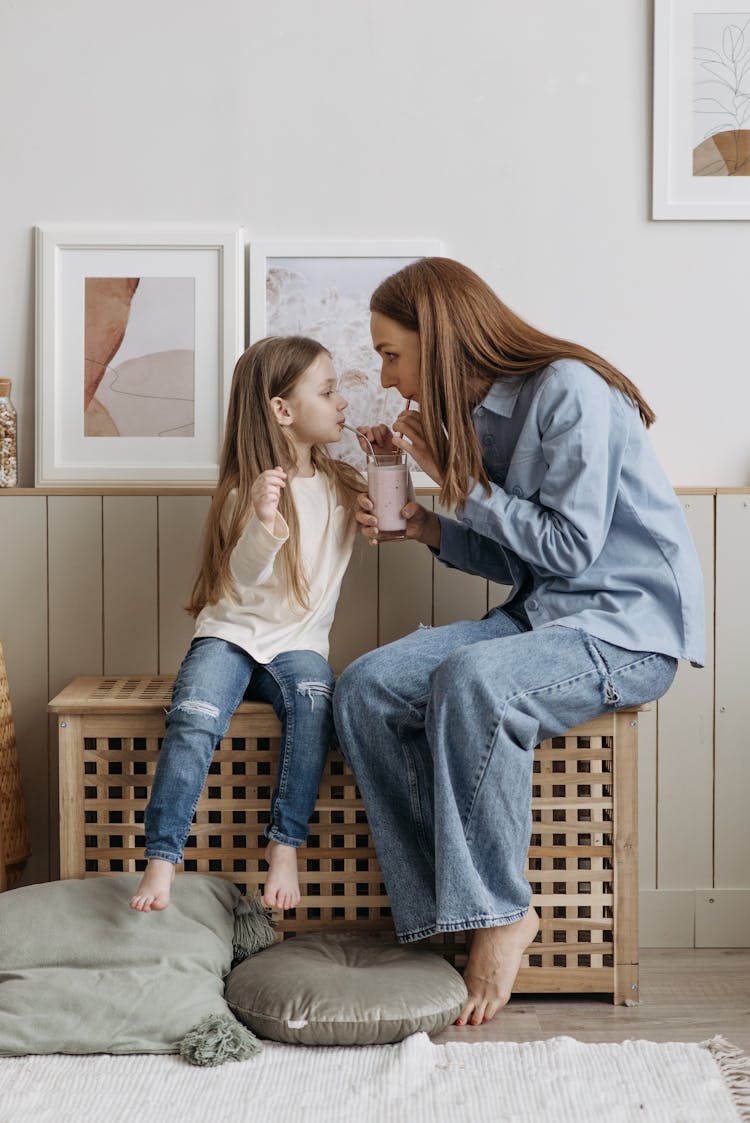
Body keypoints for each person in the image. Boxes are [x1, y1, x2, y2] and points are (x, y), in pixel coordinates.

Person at [332, 257, 705, 1029]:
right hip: (544, 619)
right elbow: (521, 557)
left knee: (474, 679)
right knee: (365, 688)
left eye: (391, 353)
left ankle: (501, 912)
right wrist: (427, 525)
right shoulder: (475, 416)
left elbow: (570, 548)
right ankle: (443, 917)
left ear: (436, 340)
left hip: (625, 628)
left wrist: (455, 481)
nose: (387, 374)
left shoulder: (568, 390)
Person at [130, 335, 363, 913]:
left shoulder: (340, 486)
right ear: (283, 410)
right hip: (230, 636)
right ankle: (162, 859)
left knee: (314, 702)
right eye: (329, 392)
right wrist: (264, 518)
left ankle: (284, 846)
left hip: (298, 645)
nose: (343, 404)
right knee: (195, 716)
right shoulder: (250, 490)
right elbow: (247, 575)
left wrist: (386, 456)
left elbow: (390, 513)